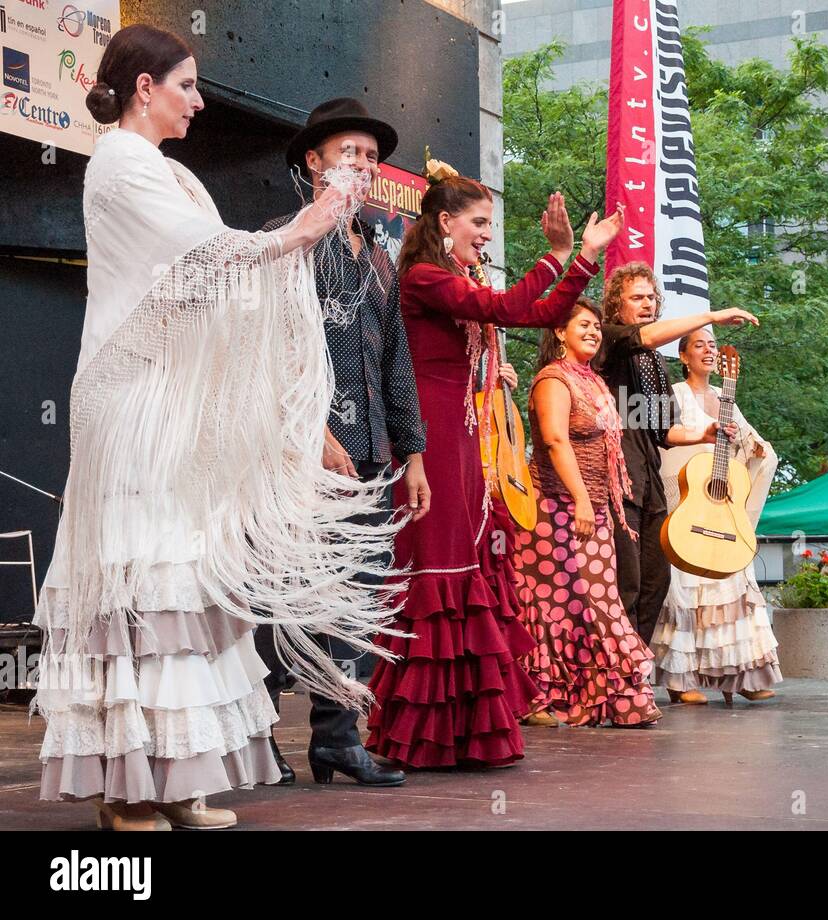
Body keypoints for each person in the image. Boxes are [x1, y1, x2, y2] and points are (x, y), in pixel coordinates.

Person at [34, 25, 398, 830]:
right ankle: (130, 786)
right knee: (141, 579)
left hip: (171, 404)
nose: (198, 101)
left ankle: (176, 776)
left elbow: (214, 277)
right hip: (134, 405)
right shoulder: (120, 163)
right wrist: (306, 228)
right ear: (143, 88)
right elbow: (208, 257)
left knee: (186, 582)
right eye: (188, 85)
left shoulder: (163, 170)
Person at [364, 166, 625, 768]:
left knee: (464, 570)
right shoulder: (425, 277)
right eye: (480, 222)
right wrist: (564, 253)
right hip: (427, 437)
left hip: (467, 438)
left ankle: (460, 735)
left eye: (490, 224)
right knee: (436, 573)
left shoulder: (455, 276)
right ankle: (419, 740)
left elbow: (533, 315)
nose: (487, 234)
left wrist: (580, 261)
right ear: (444, 222)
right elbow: (510, 306)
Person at [254, 98, 429, 789]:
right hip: (297, 458)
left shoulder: (379, 255)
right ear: (313, 163)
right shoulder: (283, 239)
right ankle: (257, 737)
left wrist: (412, 454)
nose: (360, 163)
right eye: (346, 152)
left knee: (354, 603)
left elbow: (396, 361)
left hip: (369, 460)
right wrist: (314, 431)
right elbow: (268, 351)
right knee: (280, 601)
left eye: (368, 154)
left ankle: (336, 741)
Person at [594, 262, 759, 647]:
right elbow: (645, 337)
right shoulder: (611, 338)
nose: (648, 303)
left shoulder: (652, 361)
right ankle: (620, 674)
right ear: (617, 302)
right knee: (627, 580)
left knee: (657, 579)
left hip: (647, 473)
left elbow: (661, 430)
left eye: (652, 296)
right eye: (637, 297)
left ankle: (636, 664)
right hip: (616, 473)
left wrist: (705, 431)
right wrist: (712, 316)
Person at [514, 298, 661, 727]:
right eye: (584, 324)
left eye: (598, 326)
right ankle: (537, 696)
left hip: (591, 507)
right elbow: (557, 441)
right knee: (551, 603)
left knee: (595, 602)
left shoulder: (593, 380)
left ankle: (596, 697)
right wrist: (579, 498)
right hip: (553, 507)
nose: (595, 332)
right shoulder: (552, 379)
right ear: (559, 331)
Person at [651, 327, 782, 704]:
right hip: (689, 502)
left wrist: (755, 447)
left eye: (712, 345)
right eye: (699, 345)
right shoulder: (670, 395)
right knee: (687, 589)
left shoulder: (726, 398)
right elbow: (657, 442)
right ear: (684, 356)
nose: (707, 351)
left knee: (733, 584)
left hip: (720, 506)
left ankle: (740, 677)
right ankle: (682, 681)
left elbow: (751, 445)